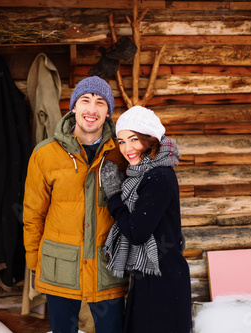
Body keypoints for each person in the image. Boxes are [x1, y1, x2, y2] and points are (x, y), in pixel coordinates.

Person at [23, 76, 128, 333]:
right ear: (73, 107)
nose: (91, 109)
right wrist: (37, 263)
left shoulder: (121, 153)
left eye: (100, 102)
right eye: (85, 100)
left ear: (108, 111)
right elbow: (33, 214)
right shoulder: (45, 154)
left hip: (108, 267)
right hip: (60, 265)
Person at [100, 105, 192, 333]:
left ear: (151, 139)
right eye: (121, 141)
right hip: (151, 274)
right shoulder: (145, 174)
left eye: (133, 139)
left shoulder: (158, 176)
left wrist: (114, 198)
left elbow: (137, 232)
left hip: (162, 283)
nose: (126, 148)